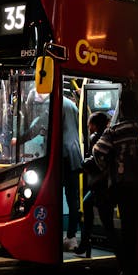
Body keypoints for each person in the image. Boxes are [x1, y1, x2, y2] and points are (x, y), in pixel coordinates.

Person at [93, 89, 138, 275]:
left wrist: (108, 169)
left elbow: (99, 151)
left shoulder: (115, 131)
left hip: (124, 186)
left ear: (122, 107)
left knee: (128, 231)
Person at [74, 110, 113, 256]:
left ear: (94, 125)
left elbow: (95, 160)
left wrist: (83, 163)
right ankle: (85, 244)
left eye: (90, 123)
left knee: (104, 220)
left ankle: (122, 258)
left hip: (100, 184)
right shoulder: (108, 135)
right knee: (88, 210)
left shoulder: (97, 138)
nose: (88, 126)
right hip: (102, 184)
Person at [61, 90, 84, 251]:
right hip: (75, 155)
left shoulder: (54, 104)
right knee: (73, 198)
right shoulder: (72, 105)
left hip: (62, 155)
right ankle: (71, 236)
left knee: (52, 195)